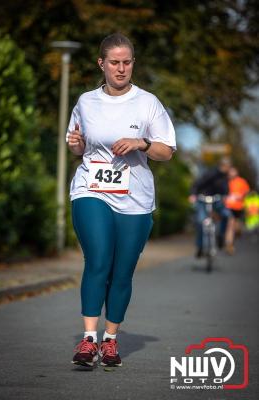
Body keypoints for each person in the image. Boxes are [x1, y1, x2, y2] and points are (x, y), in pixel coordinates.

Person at [66, 33, 176, 368]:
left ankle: (110, 341)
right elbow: (77, 147)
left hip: (135, 198)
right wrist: (75, 145)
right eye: (114, 62)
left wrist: (141, 142)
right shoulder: (86, 102)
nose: (121, 68)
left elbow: (166, 151)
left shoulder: (148, 103)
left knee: (122, 272)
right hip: (91, 188)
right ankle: (88, 341)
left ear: (133, 64)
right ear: (102, 64)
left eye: (127, 62)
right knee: (98, 259)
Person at [189, 158, 231, 257]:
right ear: (222, 165)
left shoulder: (225, 177)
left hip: (216, 200)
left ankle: (220, 236)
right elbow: (198, 183)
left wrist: (225, 196)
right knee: (200, 221)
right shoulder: (211, 173)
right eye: (227, 166)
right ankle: (200, 246)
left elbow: (225, 190)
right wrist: (193, 194)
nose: (228, 168)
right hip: (203, 199)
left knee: (226, 214)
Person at [224, 167, 250, 254]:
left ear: (236, 172)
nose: (232, 173)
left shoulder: (241, 181)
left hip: (239, 207)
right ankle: (229, 245)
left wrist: (241, 195)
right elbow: (223, 193)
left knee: (237, 227)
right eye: (230, 172)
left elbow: (246, 191)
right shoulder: (226, 182)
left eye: (233, 171)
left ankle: (237, 233)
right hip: (229, 207)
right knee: (230, 225)